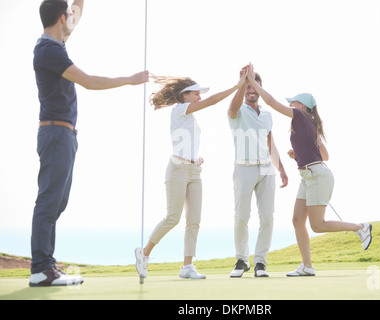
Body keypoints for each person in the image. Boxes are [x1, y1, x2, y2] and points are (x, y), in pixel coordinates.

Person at [31, 0, 149, 287]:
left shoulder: (55, 43)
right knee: (49, 202)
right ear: (61, 18)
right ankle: (41, 269)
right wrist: (130, 80)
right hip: (56, 134)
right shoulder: (49, 50)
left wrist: (78, 4)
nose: (73, 17)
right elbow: (89, 82)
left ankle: (47, 266)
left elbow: (77, 13)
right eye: (69, 14)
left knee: (57, 203)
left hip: (63, 134)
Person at [245, 64, 372, 277]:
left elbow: (271, 102)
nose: (290, 104)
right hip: (310, 175)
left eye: (293, 102)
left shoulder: (299, 115)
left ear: (301, 105)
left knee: (317, 225)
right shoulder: (307, 123)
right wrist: (301, 154)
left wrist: (254, 84)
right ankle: (307, 266)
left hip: (317, 177)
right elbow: (325, 155)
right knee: (297, 220)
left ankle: (360, 227)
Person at [135, 71, 248, 280]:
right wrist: (236, 86)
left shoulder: (190, 116)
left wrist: (197, 158)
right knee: (172, 217)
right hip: (177, 170)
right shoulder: (179, 109)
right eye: (196, 94)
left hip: (194, 171)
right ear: (185, 96)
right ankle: (144, 253)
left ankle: (187, 266)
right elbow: (213, 101)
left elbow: (187, 142)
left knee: (194, 220)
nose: (200, 98)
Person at [228, 65, 288, 278]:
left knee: (267, 217)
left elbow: (270, 144)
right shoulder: (237, 111)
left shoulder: (267, 116)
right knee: (242, 217)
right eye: (249, 88)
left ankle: (260, 262)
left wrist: (281, 169)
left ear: (261, 90)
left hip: (266, 169)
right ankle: (242, 260)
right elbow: (232, 108)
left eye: (256, 87)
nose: (252, 91)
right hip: (243, 168)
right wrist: (243, 81)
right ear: (244, 89)